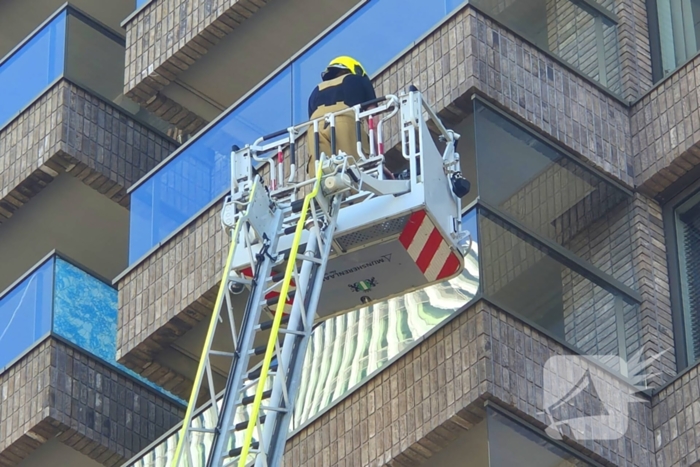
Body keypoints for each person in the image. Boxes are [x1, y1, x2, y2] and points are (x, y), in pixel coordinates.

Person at [306, 56, 378, 178]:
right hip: (344, 120)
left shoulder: (315, 91)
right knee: (354, 174)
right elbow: (374, 123)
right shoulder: (360, 80)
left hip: (315, 128)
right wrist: (379, 158)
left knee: (323, 178)